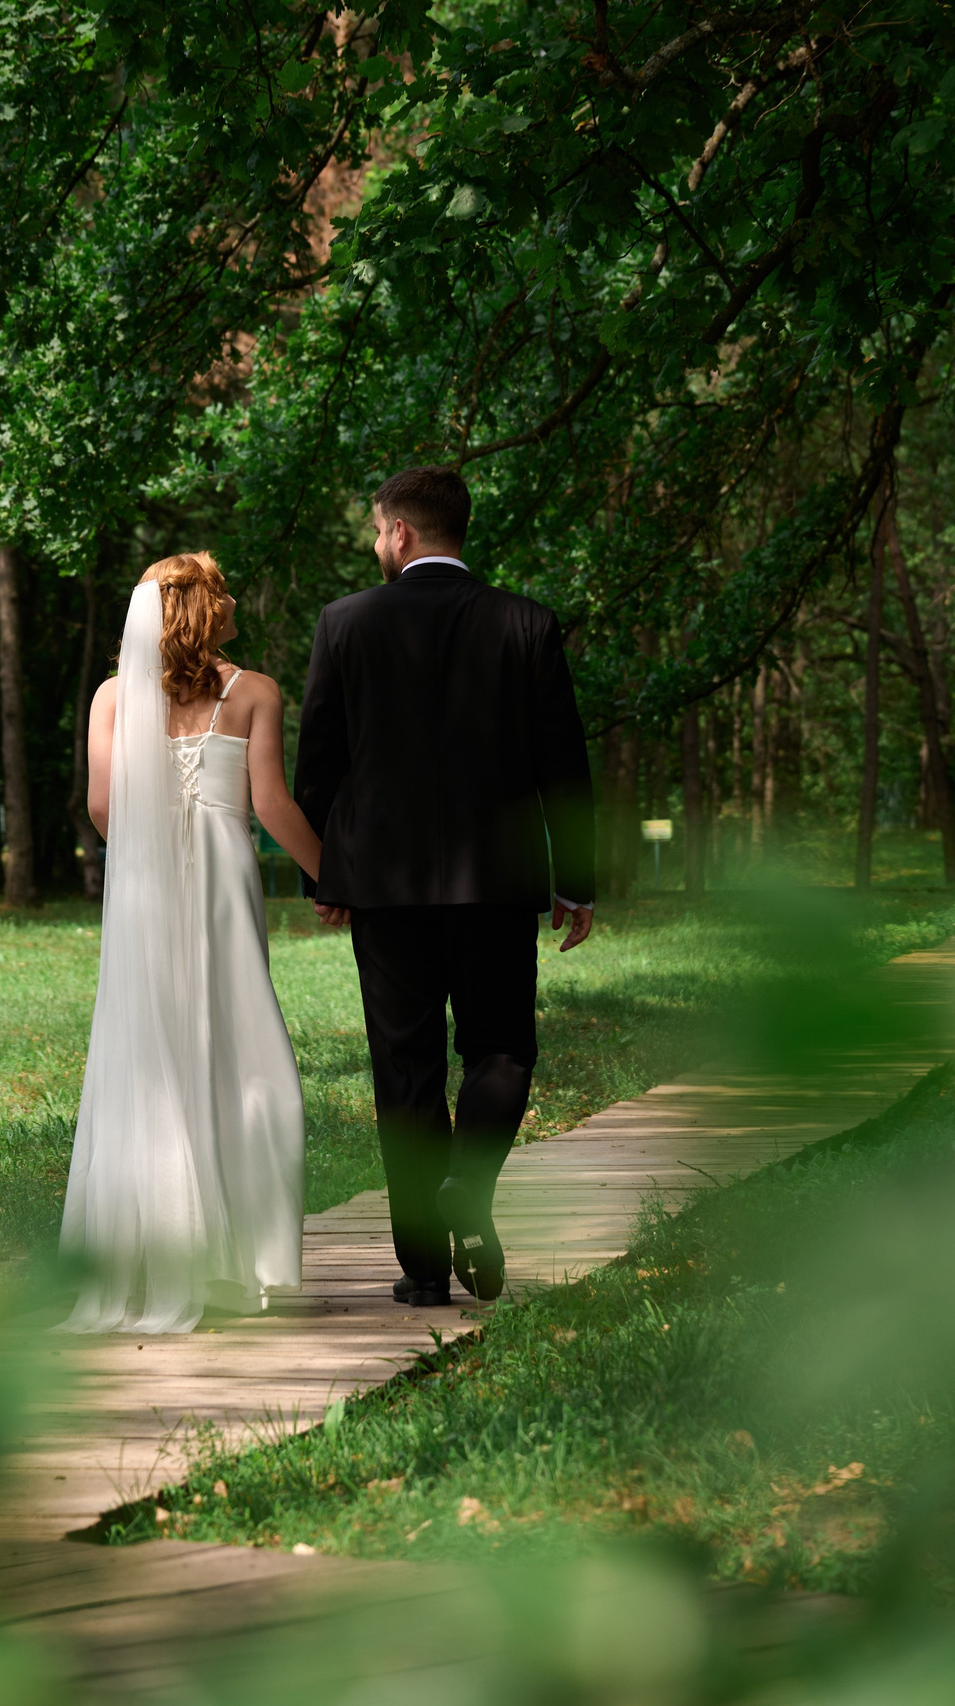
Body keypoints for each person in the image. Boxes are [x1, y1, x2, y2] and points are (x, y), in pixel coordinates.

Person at [294, 466, 596, 1308]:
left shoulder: (344, 623)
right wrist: (576, 881)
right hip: (495, 884)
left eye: (376, 529)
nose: (375, 542)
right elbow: (561, 766)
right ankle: (470, 1185)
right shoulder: (526, 624)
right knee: (501, 1048)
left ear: (402, 533)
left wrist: (325, 871)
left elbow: (318, 764)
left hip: (384, 891)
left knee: (406, 1068)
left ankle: (424, 1268)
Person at [58, 553, 324, 1335]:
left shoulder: (113, 698)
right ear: (204, 609)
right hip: (220, 883)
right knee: (244, 1056)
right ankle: (245, 1264)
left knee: (152, 1055)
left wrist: (151, 843)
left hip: (143, 889)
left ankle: (150, 1255)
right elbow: (271, 804)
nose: (235, 598)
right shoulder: (254, 694)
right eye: (223, 589)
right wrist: (334, 879)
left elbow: (104, 805)